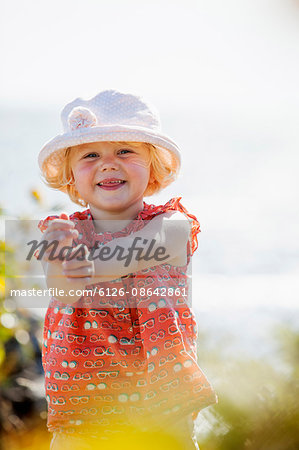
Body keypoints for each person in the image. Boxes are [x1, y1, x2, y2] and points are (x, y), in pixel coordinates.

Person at [36, 90, 218, 449]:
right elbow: (61, 289)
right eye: (91, 155)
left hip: (163, 406)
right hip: (82, 409)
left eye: (125, 151)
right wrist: (59, 260)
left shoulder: (173, 224)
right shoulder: (59, 230)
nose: (108, 163)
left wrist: (82, 265)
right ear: (71, 177)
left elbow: (133, 254)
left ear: (154, 168)